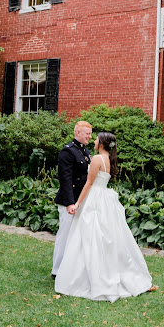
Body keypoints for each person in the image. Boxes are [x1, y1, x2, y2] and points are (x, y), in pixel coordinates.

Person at [55, 132, 153, 302]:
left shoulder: (96, 159)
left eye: (96, 138)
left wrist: (77, 203)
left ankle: (86, 275)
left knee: (89, 236)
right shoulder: (108, 158)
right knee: (104, 236)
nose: (93, 140)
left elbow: (89, 183)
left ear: (101, 143)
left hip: (94, 198)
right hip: (105, 198)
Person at [52, 121, 93, 278]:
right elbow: (66, 179)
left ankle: (72, 268)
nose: (90, 136)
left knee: (77, 235)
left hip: (80, 200)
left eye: (90, 133)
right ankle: (57, 270)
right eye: (87, 133)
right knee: (65, 235)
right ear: (78, 133)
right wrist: (70, 203)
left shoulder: (84, 150)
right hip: (68, 201)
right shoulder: (68, 152)